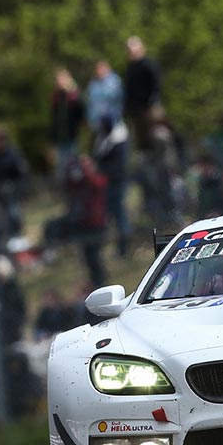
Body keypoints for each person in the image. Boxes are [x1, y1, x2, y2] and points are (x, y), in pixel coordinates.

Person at [64, 155, 108, 287]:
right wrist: (71, 166)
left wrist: (86, 171)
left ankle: (100, 280)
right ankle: (93, 281)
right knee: (86, 256)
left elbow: (98, 185)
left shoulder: (98, 179)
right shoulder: (78, 183)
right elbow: (68, 184)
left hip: (96, 223)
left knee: (95, 255)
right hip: (82, 223)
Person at [92, 115, 131, 256]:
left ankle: (124, 247)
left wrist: (103, 170)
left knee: (119, 214)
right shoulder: (102, 139)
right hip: (106, 184)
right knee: (110, 216)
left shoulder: (117, 141)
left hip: (116, 182)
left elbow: (117, 166)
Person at [0, 125, 29, 235]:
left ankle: (18, 236)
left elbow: (22, 174)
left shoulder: (12, 153)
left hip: (11, 191)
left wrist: (19, 190)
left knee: (14, 215)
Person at [123, 36, 161, 152]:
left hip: (150, 107)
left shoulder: (149, 65)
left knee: (158, 135)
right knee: (142, 140)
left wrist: (152, 101)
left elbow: (156, 85)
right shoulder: (131, 68)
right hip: (136, 109)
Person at [50, 68, 84, 182]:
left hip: (72, 136)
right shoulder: (56, 97)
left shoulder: (74, 96)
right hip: (60, 137)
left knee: (74, 167)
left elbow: (81, 113)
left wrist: (71, 92)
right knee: (61, 168)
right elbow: (54, 120)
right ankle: (64, 192)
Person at [86, 59, 124, 129]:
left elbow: (119, 100)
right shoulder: (93, 84)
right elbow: (90, 103)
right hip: (97, 122)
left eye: (102, 68)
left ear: (108, 69)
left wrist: (116, 116)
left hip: (113, 121)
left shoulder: (115, 82)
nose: (100, 71)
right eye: (98, 69)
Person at [195, 153, 223, 219]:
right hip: (206, 218)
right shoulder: (202, 183)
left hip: (222, 217)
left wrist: (219, 211)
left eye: (204, 166)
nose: (203, 169)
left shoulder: (219, 181)